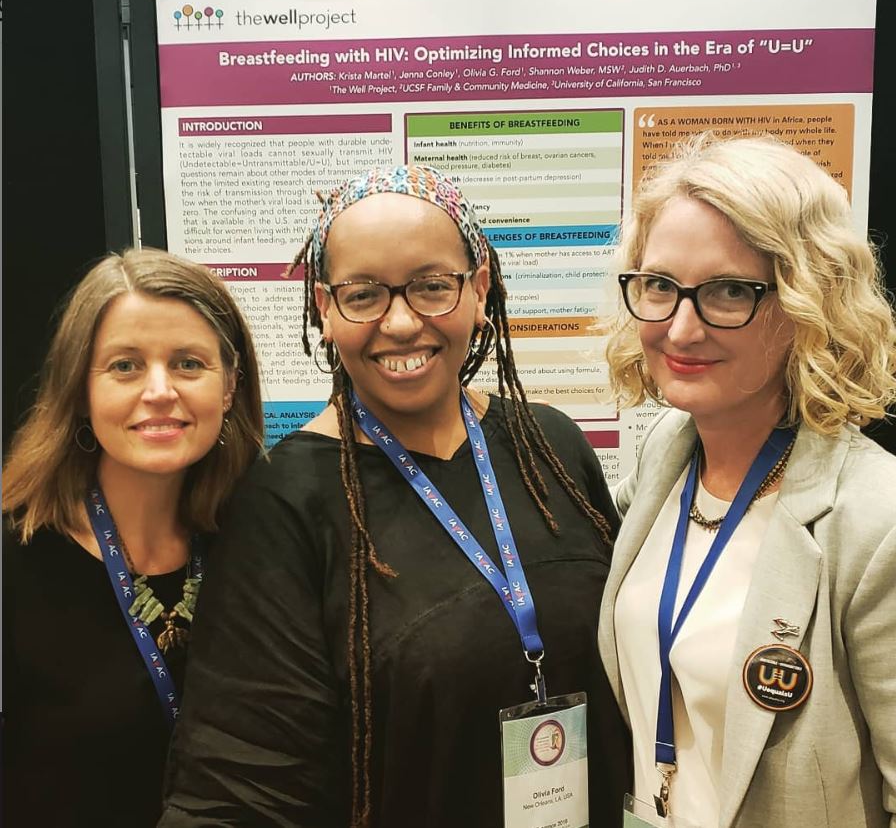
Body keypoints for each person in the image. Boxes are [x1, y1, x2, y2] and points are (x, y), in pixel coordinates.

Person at [158, 165, 631, 827]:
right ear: (325, 309)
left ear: (480, 290)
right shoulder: (285, 501)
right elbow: (244, 779)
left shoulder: (547, 445)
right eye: (363, 295)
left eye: (432, 286)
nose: (402, 322)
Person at [599, 133, 896, 828]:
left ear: (805, 303)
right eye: (661, 286)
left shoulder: (875, 519)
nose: (681, 327)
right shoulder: (663, 457)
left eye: (730, 291)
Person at [2, 248, 265, 828]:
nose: (160, 390)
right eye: (124, 366)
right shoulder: (14, 563)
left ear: (229, 387)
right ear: (78, 389)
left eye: (189, 364)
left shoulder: (263, 545)